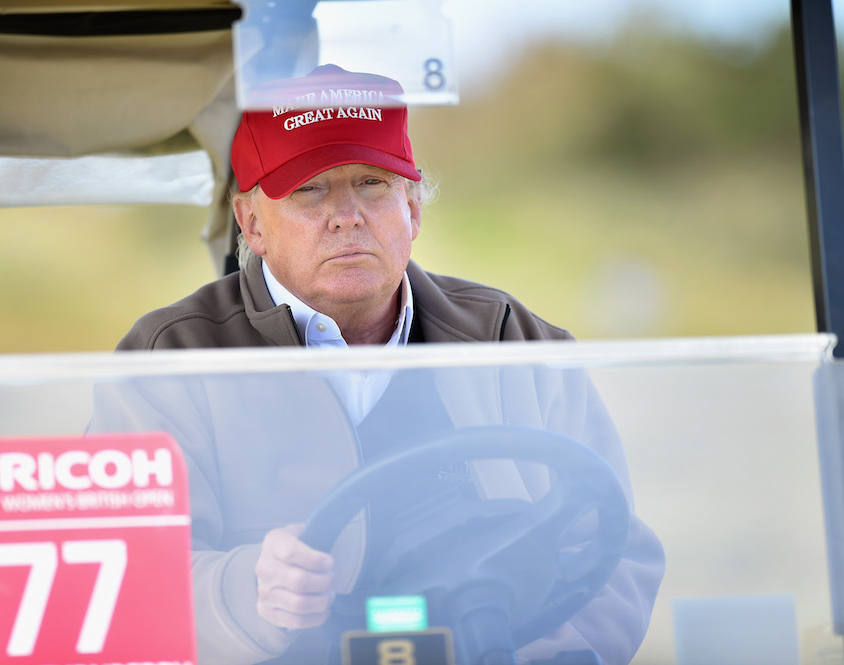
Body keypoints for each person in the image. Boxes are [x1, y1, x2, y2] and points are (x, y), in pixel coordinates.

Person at [90, 64, 664, 664]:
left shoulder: (511, 339)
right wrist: (245, 589)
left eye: (372, 183)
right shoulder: (170, 359)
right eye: (309, 188)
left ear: (412, 210)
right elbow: (123, 575)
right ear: (251, 223)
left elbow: (616, 550)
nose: (347, 215)